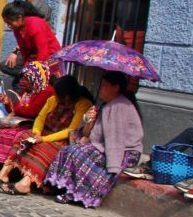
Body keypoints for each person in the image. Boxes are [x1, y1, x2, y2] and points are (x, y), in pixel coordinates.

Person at [46, 72, 144, 207]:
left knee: (84, 155)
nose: (100, 88)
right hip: (104, 145)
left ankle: (78, 194)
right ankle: (61, 186)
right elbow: (89, 134)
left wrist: (113, 166)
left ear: (115, 88)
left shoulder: (119, 106)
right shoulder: (105, 105)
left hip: (125, 152)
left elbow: (115, 139)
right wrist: (88, 119)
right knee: (69, 150)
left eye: (104, 85)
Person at [0, 75, 93, 195]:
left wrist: (43, 139)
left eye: (58, 95)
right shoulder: (52, 100)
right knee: (23, 137)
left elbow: (71, 130)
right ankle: (4, 174)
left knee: (43, 148)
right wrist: (36, 133)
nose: (55, 97)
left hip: (62, 139)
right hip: (44, 133)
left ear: (67, 96)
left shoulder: (83, 104)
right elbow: (40, 118)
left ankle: (26, 183)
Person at [0, 61, 55, 177]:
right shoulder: (27, 91)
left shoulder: (46, 92)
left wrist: (17, 107)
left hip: (32, 124)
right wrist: (8, 103)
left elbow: (32, 111)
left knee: (7, 135)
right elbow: (18, 108)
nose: (23, 81)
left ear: (34, 79)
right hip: (20, 120)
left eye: (27, 79)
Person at [1, 0, 60, 81]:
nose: (9, 26)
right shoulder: (17, 30)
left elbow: (43, 52)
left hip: (50, 56)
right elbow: (24, 52)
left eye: (10, 23)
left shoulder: (35, 24)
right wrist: (26, 70)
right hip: (34, 57)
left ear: (20, 18)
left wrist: (35, 72)